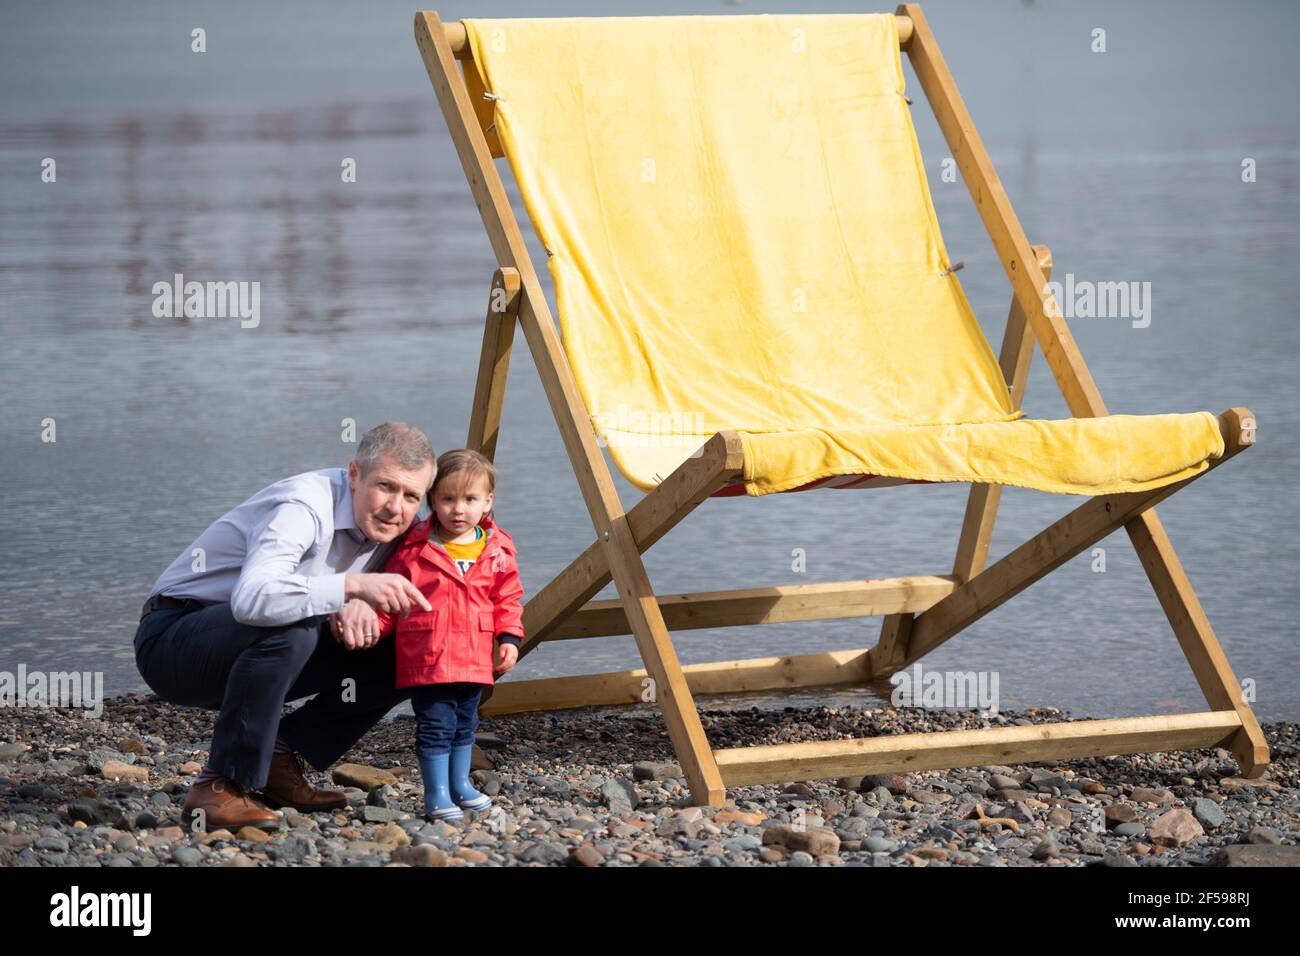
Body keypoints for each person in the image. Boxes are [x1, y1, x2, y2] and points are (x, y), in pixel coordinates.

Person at [133, 422, 437, 830]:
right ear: (353, 474)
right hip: (176, 641)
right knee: (290, 625)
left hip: (261, 654)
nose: (396, 507)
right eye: (386, 486)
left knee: (408, 650)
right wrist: (350, 587)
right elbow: (252, 600)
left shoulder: (400, 528)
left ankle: (280, 756)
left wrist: (497, 643)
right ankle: (219, 786)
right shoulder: (303, 505)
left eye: (411, 496)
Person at [372, 448, 524, 821]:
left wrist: (509, 638)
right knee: (437, 725)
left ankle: (460, 784)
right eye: (447, 499)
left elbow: (508, 597)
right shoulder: (415, 548)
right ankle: (436, 792)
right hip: (429, 658)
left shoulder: (497, 548)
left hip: (474, 657)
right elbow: (391, 597)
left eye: (470, 499)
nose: (459, 509)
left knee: (466, 723)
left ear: (487, 501)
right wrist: (371, 628)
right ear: (432, 501)